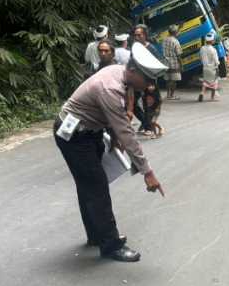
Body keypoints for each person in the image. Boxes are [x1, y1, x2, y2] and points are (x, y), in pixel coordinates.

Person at [53, 47, 167, 262]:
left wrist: (113, 134)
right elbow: (127, 134)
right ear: (133, 71)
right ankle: (111, 245)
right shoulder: (110, 89)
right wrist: (147, 172)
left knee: (89, 185)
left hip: (88, 131)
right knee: (96, 187)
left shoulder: (120, 72)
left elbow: (116, 122)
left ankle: (97, 235)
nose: (150, 86)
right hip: (74, 136)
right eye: (148, 79)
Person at [162, 24, 183, 100]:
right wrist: (181, 65)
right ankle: (172, 95)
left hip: (166, 63)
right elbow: (179, 55)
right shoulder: (175, 42)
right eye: (177, 31)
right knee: (173, 81)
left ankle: (168, 95)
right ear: (175, 32)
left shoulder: (165, 40)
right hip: (174, 63)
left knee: (168, 80)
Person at [198, 32, 220, 102]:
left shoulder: (202, 48)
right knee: (214, 83)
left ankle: (202, 93)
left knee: (205, 82)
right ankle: (212, 97)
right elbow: (216, 61)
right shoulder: (213, 50)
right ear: (212, 41)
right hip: (212, 68)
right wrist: (217, 66)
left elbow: (200, 57)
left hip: (205, 68)